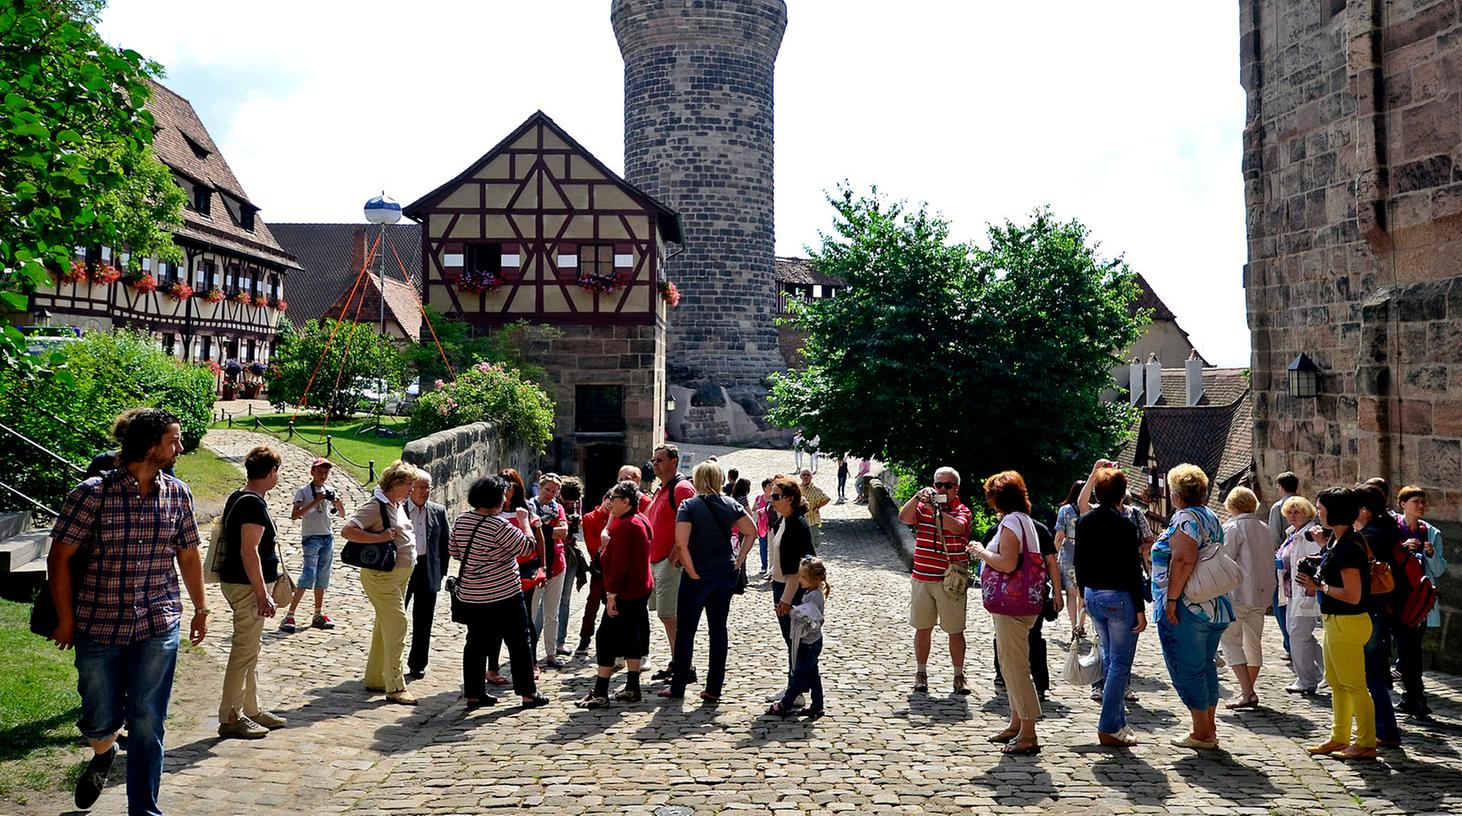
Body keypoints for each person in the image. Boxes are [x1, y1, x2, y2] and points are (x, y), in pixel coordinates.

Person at [45, 408, 209, 814]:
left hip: (158, 620)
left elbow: (188, 555)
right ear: (151, 446)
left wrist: (201, 608)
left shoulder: (178, 493)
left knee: (148, 719)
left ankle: (144, 810)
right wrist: (66, 619)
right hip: (98, 623)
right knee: (99, 717)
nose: (180, 447)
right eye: (173, 440)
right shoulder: (91, 494)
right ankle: (102, 752)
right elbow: (58, 558)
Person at [661, 462, 758, 701]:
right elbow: (752, 531)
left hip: (698, 575)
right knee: (718, 630)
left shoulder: (689, 505)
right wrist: (738, 559)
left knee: (686, 632)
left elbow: (682, 544)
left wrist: (692, 572)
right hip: (724, 573)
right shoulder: (731, 503)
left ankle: (679, 686)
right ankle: (714, 688)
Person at [1151, 463, 1232, 750]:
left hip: (1190, 605)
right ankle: (1208, 727)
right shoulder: (1208, 515)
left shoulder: (1185, 518)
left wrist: (1171, 600)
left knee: (1188, 668)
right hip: (1214, 605)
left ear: (1176, 494)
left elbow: (1184, 559)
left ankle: (1201, 732)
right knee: (1205, 665)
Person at [449, 475, 547, 709]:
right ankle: (527, 693)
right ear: (495, 498)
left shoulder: (462, 520)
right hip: (504, 594)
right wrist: (524, 522)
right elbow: (527, 548)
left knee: (475, 643)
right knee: (519, 641)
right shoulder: (499, 525)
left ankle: (473, 693)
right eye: (503, 494)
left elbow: (454, 550)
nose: (505, 498)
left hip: (472, 594)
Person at [967, 470, 1044, 755]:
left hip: (1012, 605)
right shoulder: (1025, 521)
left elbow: (1008, 563)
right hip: (1022, 603)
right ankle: (1015, 723)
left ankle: (1028, 733)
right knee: (1009, 662)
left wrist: (980, 551)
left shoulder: (1011, 522)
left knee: (1015, 667)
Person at [1298, 487, 1375, 760]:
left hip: (1349, 621)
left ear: (1334, 512)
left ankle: (1366, 741)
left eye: (1320, 509)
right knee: (1336, 682)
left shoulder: (1350, 546)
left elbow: (1353, 595)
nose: (1318, 514)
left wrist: (1320, 585)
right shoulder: (1337, 541)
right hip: (1335, 620)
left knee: (1354, 685)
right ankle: (1339, 736)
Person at [1073, 466, 1148, 747]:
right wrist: (1139, 609)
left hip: (1093, 595)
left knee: (1109, 657)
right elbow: (1131, 569)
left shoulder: (1085, 521)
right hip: (1118, 598)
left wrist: (1083, 596)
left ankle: (1118, 722)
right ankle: (1107, 725)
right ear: (1121, 495)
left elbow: (1079, 562)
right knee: (1120, 662)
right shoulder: (1125, 525)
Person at [217, 446, 287, 739]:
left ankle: (252, 708)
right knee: (243, 650)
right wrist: (262, 593)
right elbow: (249, 551)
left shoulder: (241, 496)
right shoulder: (252, 504)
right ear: (270, 472)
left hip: (243, 583)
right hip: (247, 587)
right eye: (277, 472)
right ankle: (231, 717)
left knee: (251, 650)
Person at [341, 460, 421, 705]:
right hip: (381, 576)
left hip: (399, 573)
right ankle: (395, 686)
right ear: (395, 483)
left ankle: (377, 678)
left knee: (383, 627)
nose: (411, 489)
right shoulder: (375, 505)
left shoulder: (395, 503)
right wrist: (377, 537)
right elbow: (348, 530)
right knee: (397, 624)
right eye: (408, 484)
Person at [577, 480, 656, 708]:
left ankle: (601, 692)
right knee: (632, 637)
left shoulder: (626, 526)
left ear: (626, 501)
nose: (609, 502)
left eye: (614, 498)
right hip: (639, 588)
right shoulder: (640, 520)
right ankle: (632, 687)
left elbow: (619, 565)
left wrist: (611, 595)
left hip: (625, 592)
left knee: (605, 639)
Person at [898, 467, 972, 695]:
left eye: (947, 486)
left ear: (956, 488)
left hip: (949, 581)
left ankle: (959, 675)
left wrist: (936, 510)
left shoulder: (962, 510)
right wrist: (917, 497)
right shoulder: (922, 507)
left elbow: (958, 528)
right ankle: (921, 673)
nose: (941, 489)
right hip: (922, 577)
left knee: (955, 630)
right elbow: (903, 518)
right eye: (938, 485)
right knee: (922, 628)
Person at [988, 513, 1063, 702]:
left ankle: (1005, 677)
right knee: (1034, 637)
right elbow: (1051, 562)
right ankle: (1038, 684)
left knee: (1005, 635)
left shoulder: (999, 529)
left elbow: (988, 562)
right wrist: (1056, 592)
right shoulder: (1038, 528)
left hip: (1006, 594)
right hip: (1033, 594)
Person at [1355, 483, 1405, 747]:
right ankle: (1381, 727)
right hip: (1383, 607)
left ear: (1364, 511)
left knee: (1371, 673)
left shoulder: (1370, 535)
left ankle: (1384, 730)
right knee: (1375, 671)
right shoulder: (1388, 526)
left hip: (1372, 608)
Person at [488, 468, 547, 685]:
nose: (507, 489)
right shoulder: (492, 510)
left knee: (524, 618)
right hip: (500, 569)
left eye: (510, 484)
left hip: (525, 568)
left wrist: (543, 566)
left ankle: (531, 663)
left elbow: (539, 539)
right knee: (495, 622)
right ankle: (492, 668)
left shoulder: (526, 508)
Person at [1218, 486, 1274, 709]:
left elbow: (1224, 560)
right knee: (1253, 642)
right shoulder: (1264, 527)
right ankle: (1247, 689)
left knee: (1230, 641)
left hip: (1238, 593)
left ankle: (1248, 691)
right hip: (1261, 594)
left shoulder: (1233, 527)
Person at [646, 445, 697, 683]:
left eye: (660, 460)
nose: (655, 464)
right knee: (667, 616)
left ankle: (684, 666)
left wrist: (676, 553)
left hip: (669, 562)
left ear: (674, 461)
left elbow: (691, 522)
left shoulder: (682, 488)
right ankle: (678, 661)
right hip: (656, 560)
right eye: (654, 460)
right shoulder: (662, 489)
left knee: (671, 616)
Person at [1395, 485, 1445, 719]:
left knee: (1412, 649)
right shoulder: (1395, 528)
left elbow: (1439, 570)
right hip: (1397, 598)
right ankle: (1411, 696)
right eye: (1416, 502)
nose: (1421, 506)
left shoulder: (1431, 533)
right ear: (1403, 504)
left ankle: (1416, 698)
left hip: (1420, 600)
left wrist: (1431, 554)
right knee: (1405, 650)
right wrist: (1403, 549)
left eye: (1423, 502)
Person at [766, 474, 816, 705]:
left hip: (792, 589)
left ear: (789, 499)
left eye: (776, 496)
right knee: (791, 640)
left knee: (796, 640)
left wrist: (786, 599)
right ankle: (794, 686)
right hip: (780, 584)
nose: (771, 500)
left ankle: (796, 691)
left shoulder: (796, 524)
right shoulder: (783, 520)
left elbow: (799, 568)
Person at [284, 458, 345, 633]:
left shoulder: (329, 490)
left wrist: (338, 503)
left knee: (322, 577)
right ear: (312, 472)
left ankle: (318, 614)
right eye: (319, 472)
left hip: (327, 537)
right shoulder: (303, 491)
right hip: (311, 538)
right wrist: (315, 501)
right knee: (308, 576)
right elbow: (295, 515)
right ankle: (290, 614)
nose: (323, 475)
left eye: (326, 472)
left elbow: (341, 514)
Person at [766, 557, 831, 718]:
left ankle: (784, 704)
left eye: (803, 578)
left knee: (799, 676)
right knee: (813, 674)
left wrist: (792, 612)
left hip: (809, 642)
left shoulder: (814, 596)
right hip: (810, 641)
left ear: (813, 580)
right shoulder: (811, 592)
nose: (799, 580)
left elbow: (812, 616)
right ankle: (817, 704)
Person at [403, 472, 450, 680]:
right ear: (411, 488)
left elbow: (444, 545)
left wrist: (440, 573)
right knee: (396, 619)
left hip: (427, 569)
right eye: (421, 487)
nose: (425, 492)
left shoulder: (438, 511)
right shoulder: (399, 509)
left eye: (428, 488)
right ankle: (389, 661)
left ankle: (417, 663)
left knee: (424, 621)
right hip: (402, 568)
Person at [1280, 496, 1323, 694]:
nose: (1292, 516)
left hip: (1305, 592)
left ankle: (1305, 680)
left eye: (1296, 512)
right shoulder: (1293, 533)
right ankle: (1328, 672)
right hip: (1291, 592)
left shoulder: (1309, 535)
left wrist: (1311, 588)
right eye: (1289, 512)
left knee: (1298, 635)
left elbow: (1316, 564)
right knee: (1302, 636)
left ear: (1307, 513)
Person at [529, 473, 570, 668]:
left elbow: (563, 532)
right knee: (531, 612)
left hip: (557, 565)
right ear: (540, 487)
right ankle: (528, 654)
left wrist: (543, 530)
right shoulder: (529, 507)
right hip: (535, 567)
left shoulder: (558, 508)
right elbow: (531, 534)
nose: (550, 494)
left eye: (554, 491)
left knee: (552, 613)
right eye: (547, 490)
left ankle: (551, 653)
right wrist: (550, 532)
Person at [1268, 472, 1300, 660]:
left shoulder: (1279, 507)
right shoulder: (1303, 502)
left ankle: (1289, 644)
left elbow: (1273, 536)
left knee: (1279, 600)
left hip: (1282, 559)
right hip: (1298, 557)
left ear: (1281, 486)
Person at [553, 477, 585, 659]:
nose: (571, 505)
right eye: (567, 502)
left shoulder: (577, 502)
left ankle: (560, 641)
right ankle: (533, 643)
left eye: (573, 502)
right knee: (547, 602)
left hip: (570, 551)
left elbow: (577, 524)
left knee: (565, 600)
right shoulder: (554, 504)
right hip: (555, 553)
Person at [1053, 481, 1087, 637]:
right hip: (1087, 553)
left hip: (1069, 552)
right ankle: (1081, 624)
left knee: (1071, 593)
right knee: (1084, 592)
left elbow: (1059, 536)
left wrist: (1053, 556)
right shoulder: (1090, 509)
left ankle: (1074, 625)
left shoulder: (1065, 510)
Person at [799, 468, 831, 548]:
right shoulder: (798, 488)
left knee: (813, 543)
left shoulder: (815, 489)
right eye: (804, 475)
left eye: (808, 475)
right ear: (800, 476)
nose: (806, 476)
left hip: (812, 520)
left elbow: (826, 498)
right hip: (800, 520)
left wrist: (818, 507)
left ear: (811, 477)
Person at [754, 478, 774, 577]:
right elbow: (753, 509)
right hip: (762, 526)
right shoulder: (759, 498)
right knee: (763, 546)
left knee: (772, 547)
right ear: (764, 487)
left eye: (772, 485)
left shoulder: (775, 498)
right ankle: (764, 566)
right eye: (769, 485)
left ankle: (772, 567)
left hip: (771, 525)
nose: (771, 487)